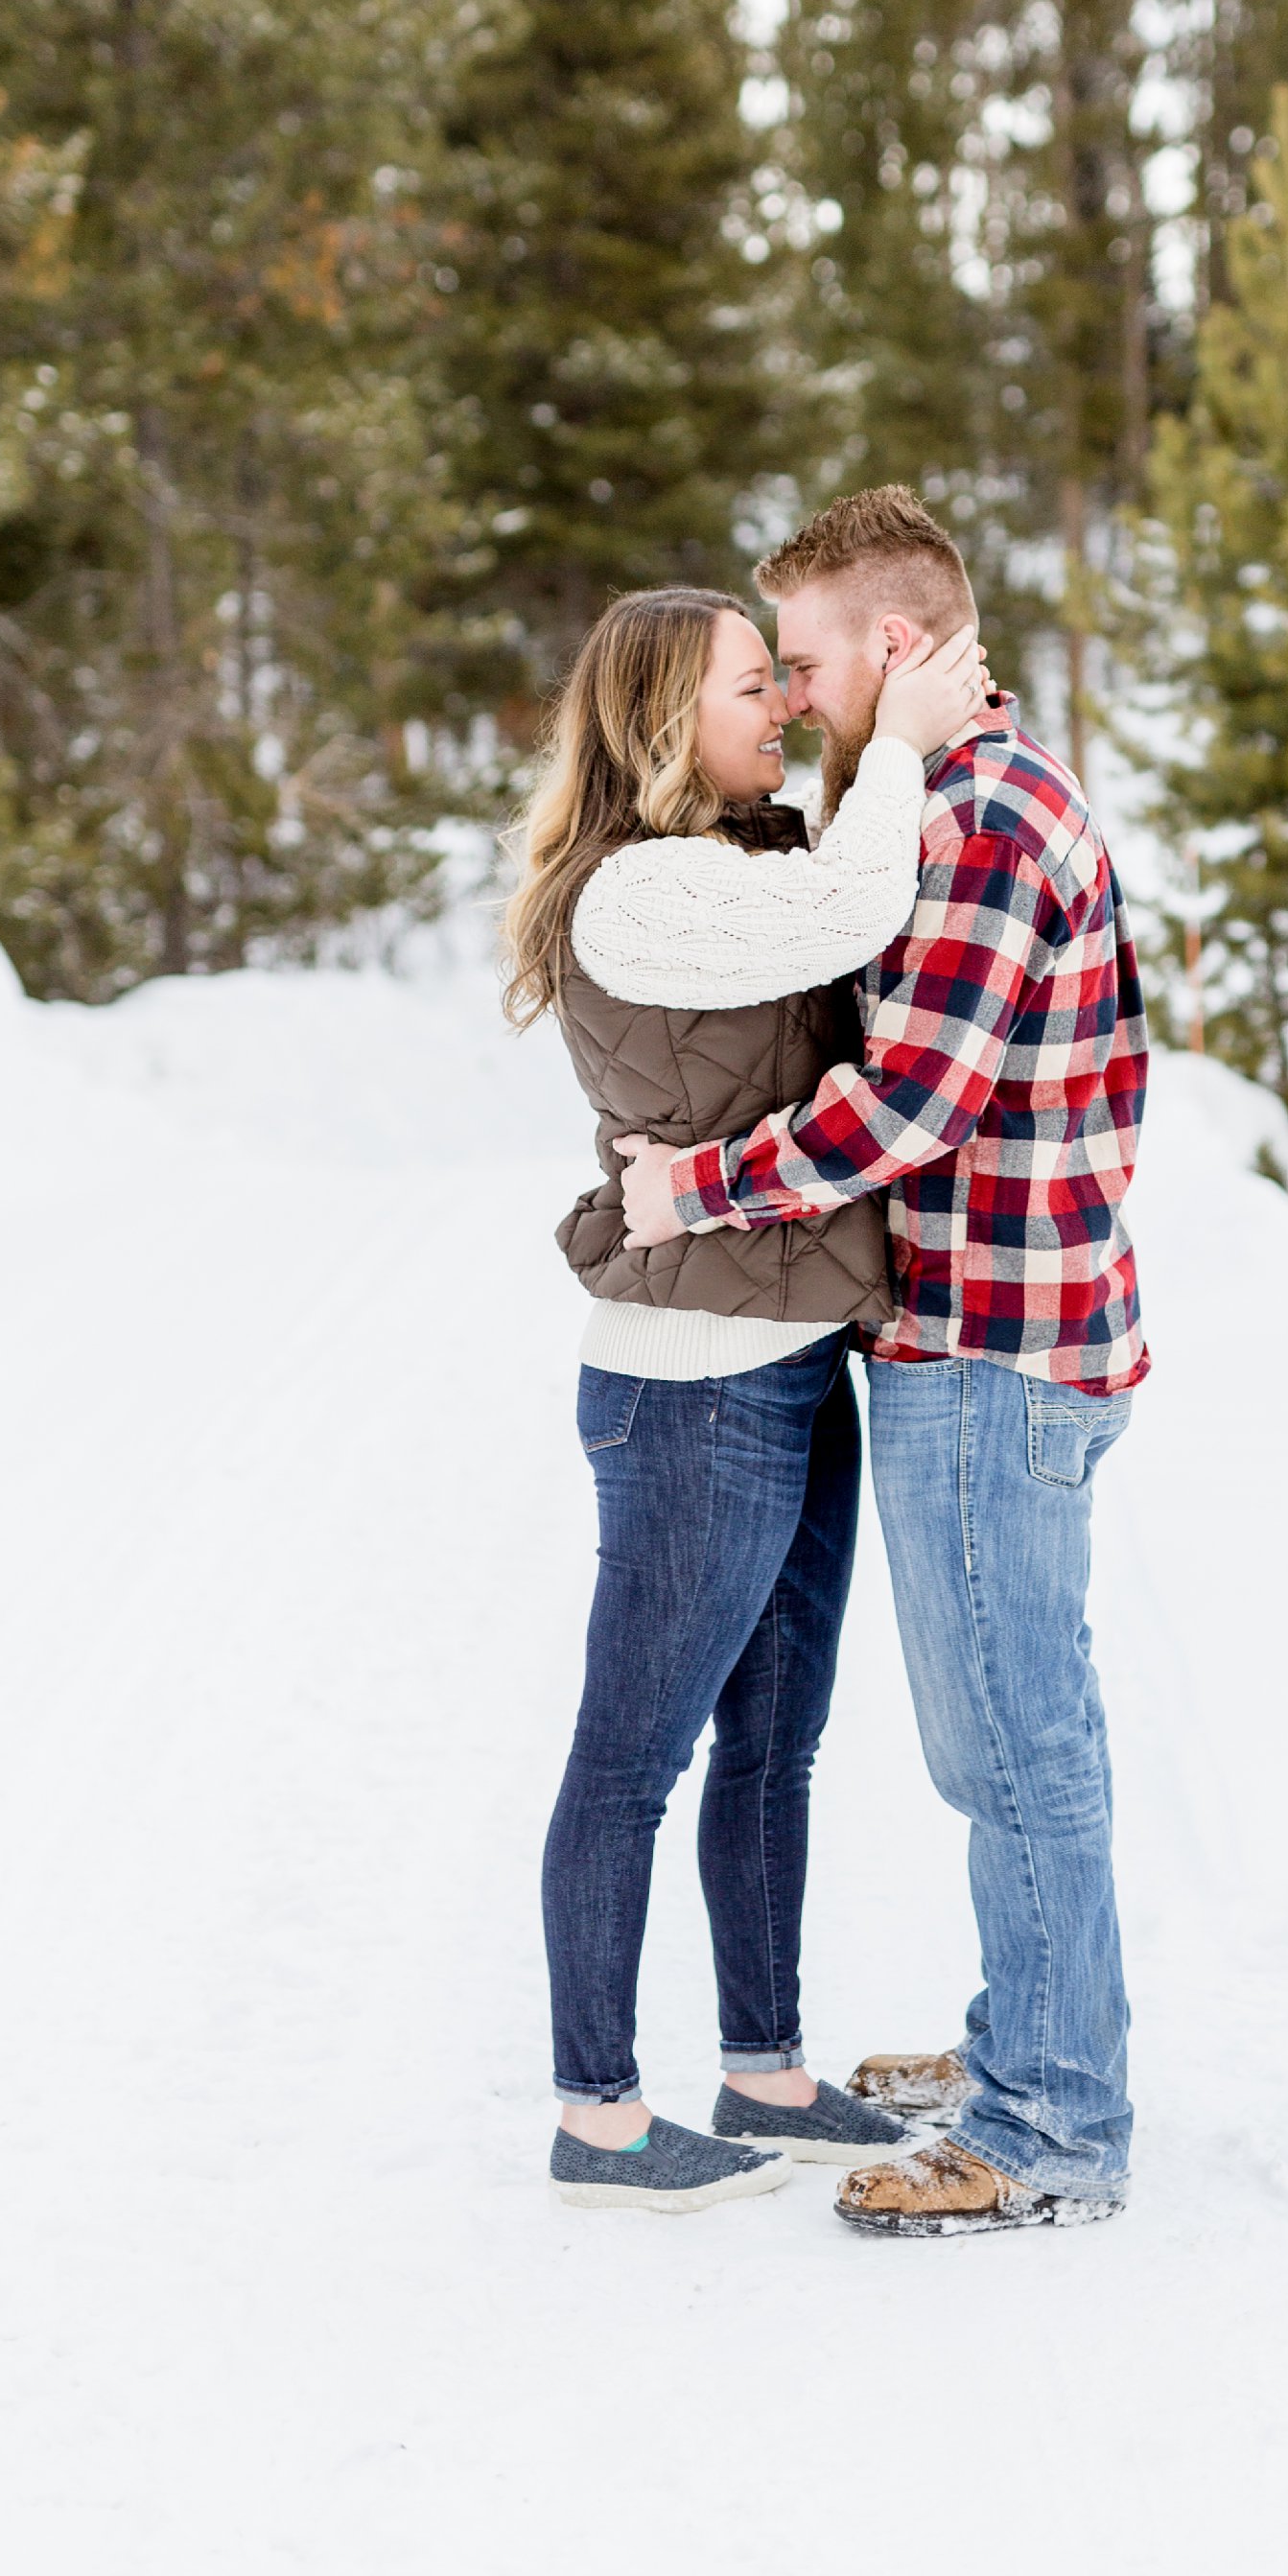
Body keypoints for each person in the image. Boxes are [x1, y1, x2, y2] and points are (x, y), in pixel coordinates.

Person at [618, 487, 1150, 2239]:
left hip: (993, 1349)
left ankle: (1054, 2120)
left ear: (897, 646)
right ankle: (1033, 2039)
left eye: (814, 655)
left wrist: (691, 1184)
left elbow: (906, 1106)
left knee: (1013, 1745)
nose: (797, 694)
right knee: (1006, 1729)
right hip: (991, 1328)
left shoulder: (985, 819)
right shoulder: (961, 799)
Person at [502, 582, 995, 2214]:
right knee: (631, 1756)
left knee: (774, 1741)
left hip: (790, 1355)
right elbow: (853, 916)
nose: (779, 707)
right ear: (658, 715)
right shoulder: (637, 894)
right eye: (745, 685)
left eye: (783, 682)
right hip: (686, 1390)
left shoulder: (740, 852)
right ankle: (596, 2112)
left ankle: (766, 2070)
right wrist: (905, 744)